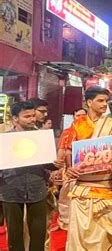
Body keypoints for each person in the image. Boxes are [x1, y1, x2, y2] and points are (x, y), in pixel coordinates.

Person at [64, 87, 112, 251]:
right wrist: (69, 167)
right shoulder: (77, 124)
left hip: (104, 185)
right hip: (82, 185)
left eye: (106, 101)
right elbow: (69, 150)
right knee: (80, 231)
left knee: (102, 232)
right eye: (100, 100)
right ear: (89, 102)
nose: (105, 104)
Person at [0, 101, 62, 251]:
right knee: (14, 233)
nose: (32, 119)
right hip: (10, 189)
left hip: (37, 188)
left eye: (33, 115)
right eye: (27, 116)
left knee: (38, 232)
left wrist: (56, 164)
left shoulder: (42, 138)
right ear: (15, 119)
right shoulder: (4, 140)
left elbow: (48, 164)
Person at [55, 108, 87, 231]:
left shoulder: (93, 131)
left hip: (87, 171)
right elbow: (62, 149)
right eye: (77, 115)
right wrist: (58, 168)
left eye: (83, 115)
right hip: (69, 169)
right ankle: (65, 221)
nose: (80, 117)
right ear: (73, 117)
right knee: (65, 195)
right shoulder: (68, 132)